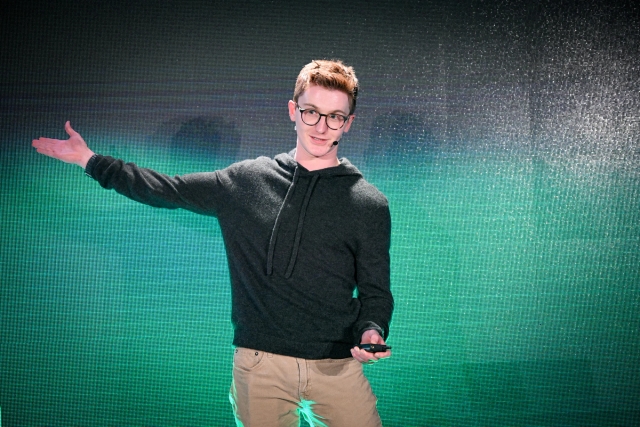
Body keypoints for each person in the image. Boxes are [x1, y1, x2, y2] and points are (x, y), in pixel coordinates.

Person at [32, 59, 394, 427]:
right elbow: (165, 189)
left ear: (348, 123)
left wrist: (371, 331)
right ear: (293, 111)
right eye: (312, 112)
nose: (321, 126)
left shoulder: (369, 203)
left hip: (337, 369)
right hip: (259, 367)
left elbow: (375, 293)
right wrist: (89, 160)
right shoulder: (246, 181)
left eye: (334, 116)